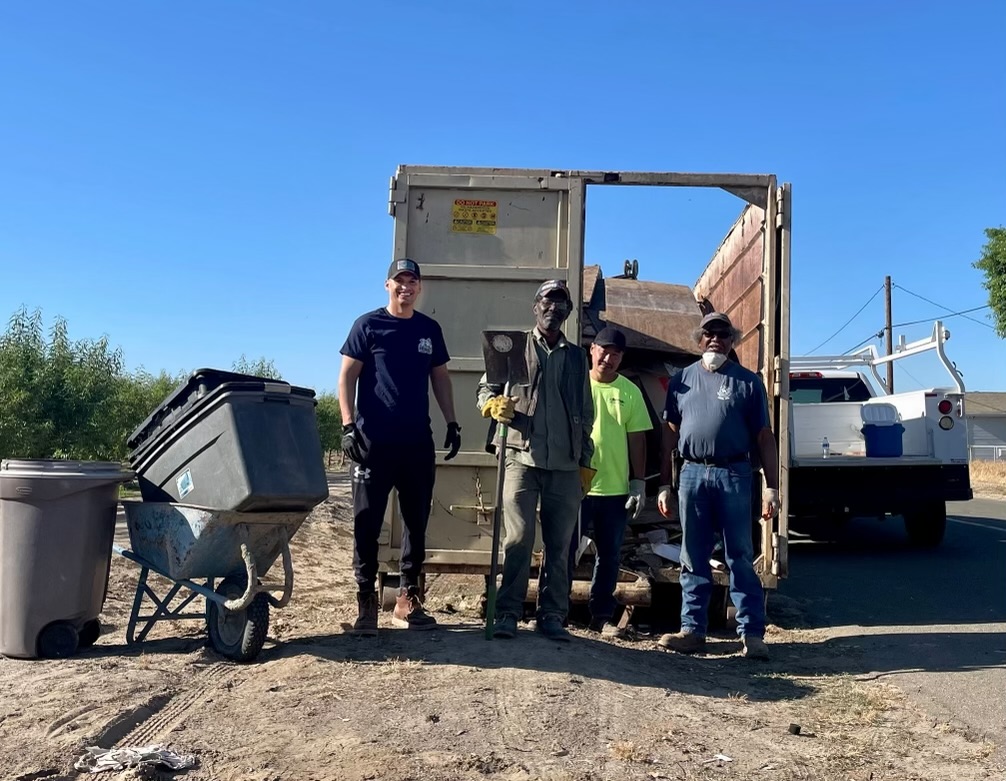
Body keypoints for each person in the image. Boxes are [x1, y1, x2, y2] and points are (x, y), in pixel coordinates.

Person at [339, 258, 462, 636]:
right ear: (387, 285)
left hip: (416, 443)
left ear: (419, 288)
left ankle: (407, 600)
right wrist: (347, 427)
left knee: (416, 522)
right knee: (367, 523)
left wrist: (452, 422)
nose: (406, 287)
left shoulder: (429, 330)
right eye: (399, 281)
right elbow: (346, 377)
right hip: (372, 443)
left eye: (412, 281)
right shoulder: (368, 325)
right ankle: (366, 603)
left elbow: (440, 379)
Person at [656, 312, 780, 660]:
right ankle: (692, 630)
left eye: (723, 334)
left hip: (734, 474)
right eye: (709, 333)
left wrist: (771, 488)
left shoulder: (748, 382)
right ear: (699, 339)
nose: (715, 339)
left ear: (731, 341)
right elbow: (669, 436)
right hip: (692, 475)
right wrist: (664, 484)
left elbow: (765, 437)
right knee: (692, 555)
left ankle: (752, 634)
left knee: (739, 554)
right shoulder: (681, 381)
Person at [477, 279, 594, 642]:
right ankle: (509, 613)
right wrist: (490, 405)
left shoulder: (576, 356)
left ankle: (552, 615)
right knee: (520, 539)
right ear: (535, 306)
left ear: (568, 312)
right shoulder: (512, 346)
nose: (553, 309)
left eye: (561, 304)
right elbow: (486, 389)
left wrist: (585, 460)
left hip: (564, 464)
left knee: (560, 546)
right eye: (547, 301)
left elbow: (585, 411)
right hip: (519, 458)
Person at [568, 326, 652, 639]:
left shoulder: (629, 391)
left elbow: (638, 439)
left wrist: (638, 483)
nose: (609, 357)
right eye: (604, 350)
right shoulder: (576, 386)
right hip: (576, 487)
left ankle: (600, 616)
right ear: (591, 350)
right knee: (564, 551)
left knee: (609, 557)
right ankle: (554, 613)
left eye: (616, 353)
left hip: (615, 491)